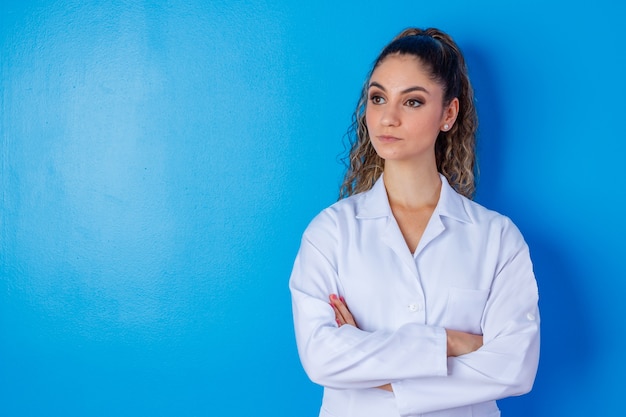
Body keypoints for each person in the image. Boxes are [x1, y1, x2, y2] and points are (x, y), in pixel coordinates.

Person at [289, 27, 540, 417]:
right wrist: (452, 343)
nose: (388, 117)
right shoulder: (331, 233)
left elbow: (515, 368)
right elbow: (321, 358)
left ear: (448, 114)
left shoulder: (497, 238)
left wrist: (376, 369)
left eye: (413, 102)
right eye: (378, 98)